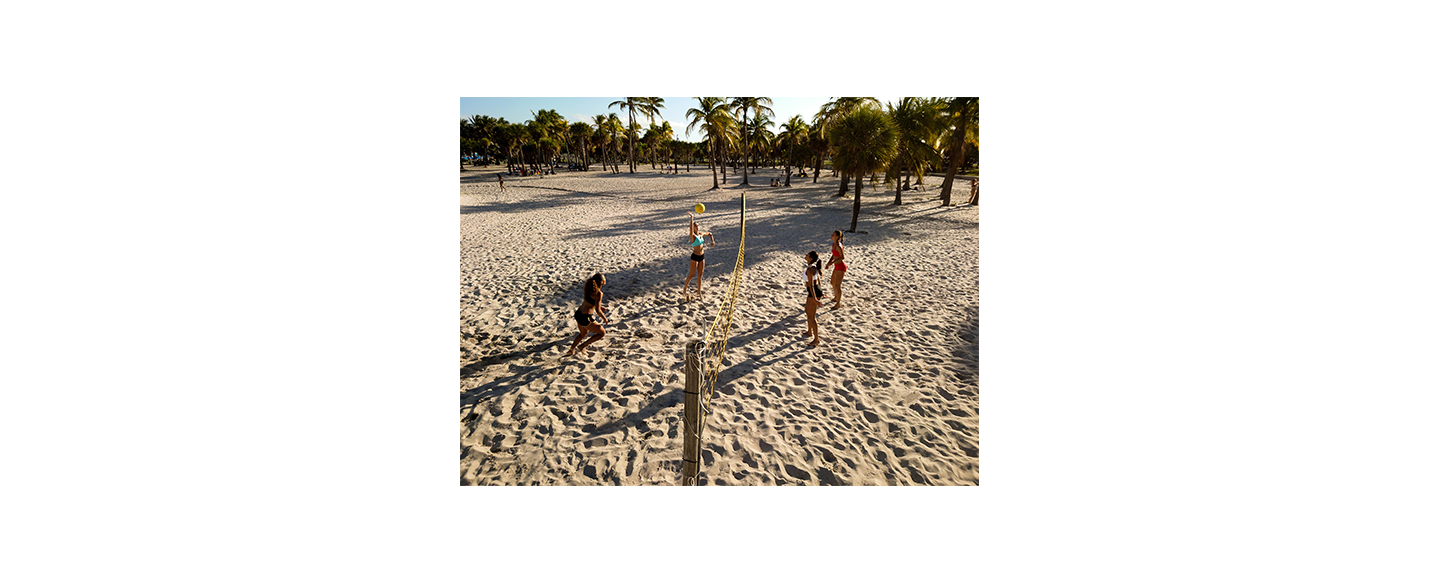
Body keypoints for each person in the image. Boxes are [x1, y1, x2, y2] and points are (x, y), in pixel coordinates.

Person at [565, 274, 610, 357]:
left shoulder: (589, 288)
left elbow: (590, 302)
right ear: (601, 282)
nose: (605, 280)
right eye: (604, 279)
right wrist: (605, 318)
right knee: (602, 333)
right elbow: (598, 311)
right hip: (585, 318)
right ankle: (581, 347)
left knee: (583, 333)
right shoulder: (599, 293)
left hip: (578, 314)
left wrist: (600, 306)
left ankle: (571, 350)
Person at [683, 212, 714, 300]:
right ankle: (685, 289)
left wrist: (712, 241)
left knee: (700, 275)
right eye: (695, 225)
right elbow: (690, 228)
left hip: (702, 256)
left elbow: (710, 233)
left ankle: (699, 292)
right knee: (692, 274)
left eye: (697, 225)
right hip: (695, 257)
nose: (697, 227)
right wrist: (691, 217)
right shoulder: (692, 236)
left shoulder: (700, 234)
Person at [801, 251, 824, 346]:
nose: (805, 255)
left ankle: (816, 339)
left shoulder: (811, 269)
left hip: (813, 291)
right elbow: (818, 280)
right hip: (815, 290)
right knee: (807, 311)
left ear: (810, 258)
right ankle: (809, 331)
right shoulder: (813, 267)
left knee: (812, 316)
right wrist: (821, 292)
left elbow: (811, 285)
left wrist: (815, 298)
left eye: (807, 255)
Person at [824, 230, 847, 309]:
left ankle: (838, 303)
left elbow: (842, 257)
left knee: (837, 285)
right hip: (836, 266)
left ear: (837, 237)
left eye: (833, 235)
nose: (831, 236)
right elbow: (833, 255)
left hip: (841, 267)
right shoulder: (834, 244)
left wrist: (832, 263)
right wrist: (829, 263)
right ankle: (836, 297)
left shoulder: (838, 246)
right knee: (832, 282)